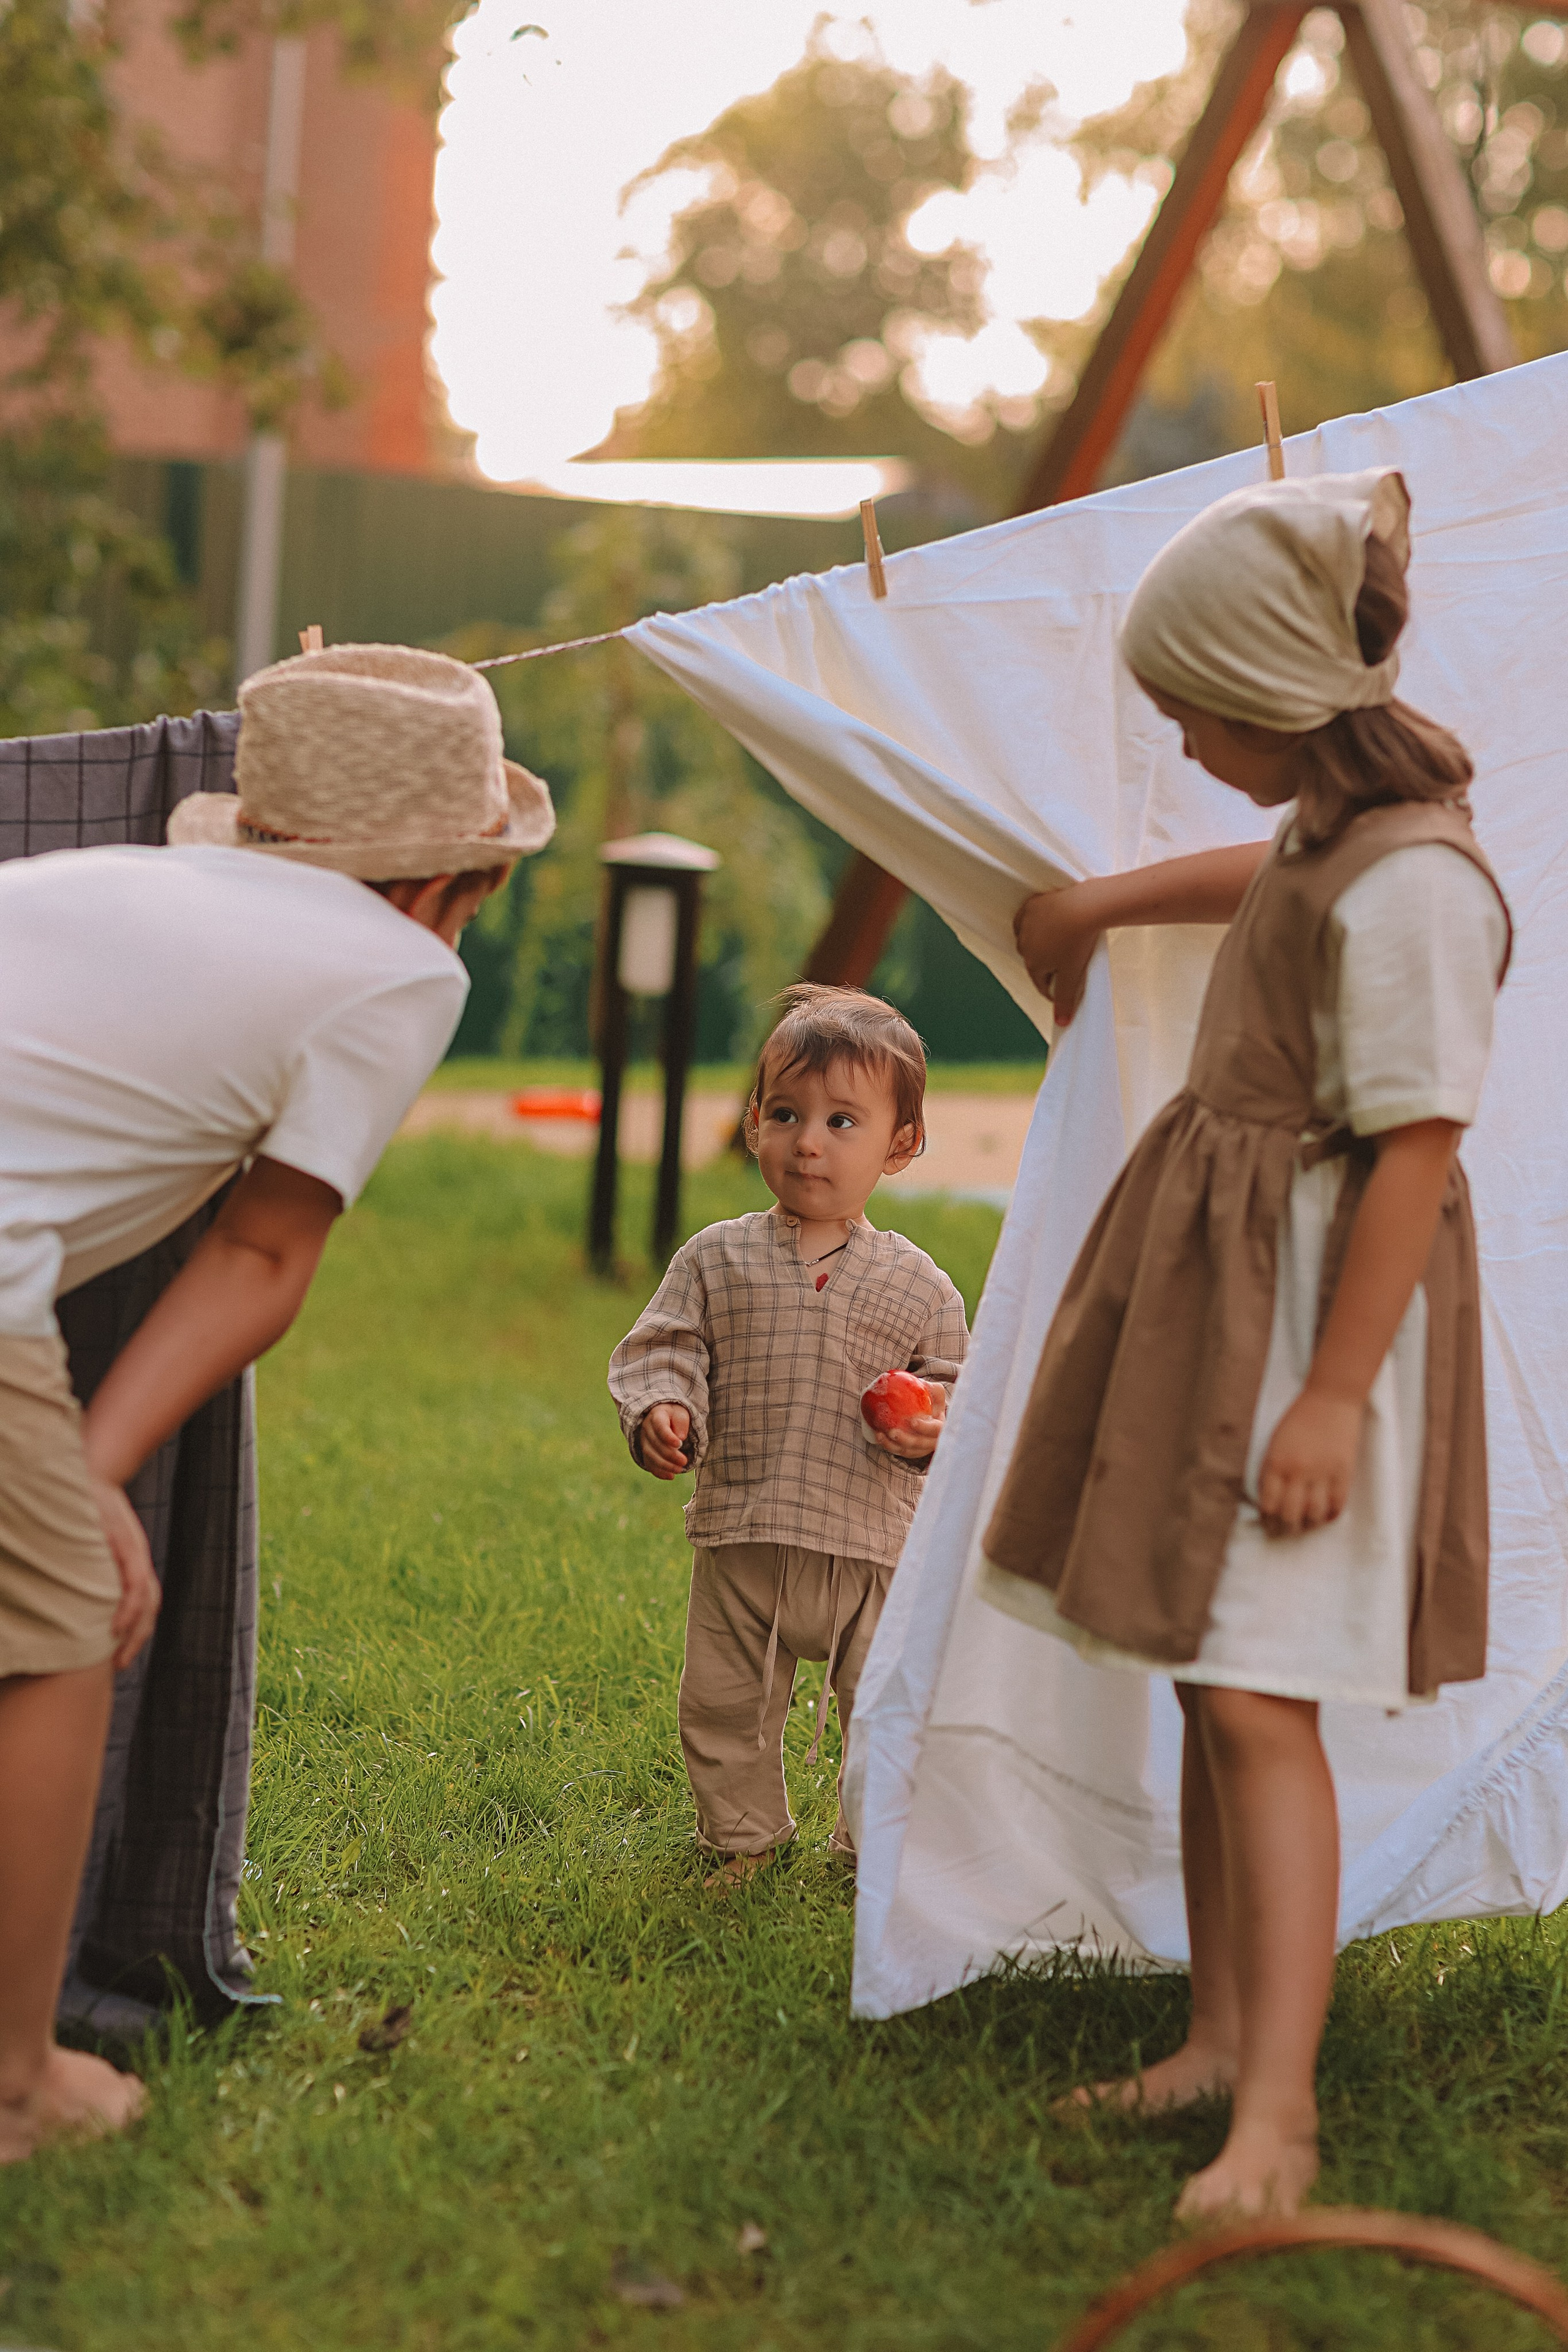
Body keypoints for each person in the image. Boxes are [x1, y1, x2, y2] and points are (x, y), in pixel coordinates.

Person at [982, 471, 1509, 2220]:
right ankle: (1217, 2039)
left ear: (1279, 695)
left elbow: (1418, 1150)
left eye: (1194, 709)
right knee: (1215, 1680)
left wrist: (1336, 1401)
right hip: (1232, 1312)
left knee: (1266, 1700)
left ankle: (1276, 2115)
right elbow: (1263, 873)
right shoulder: (1326, 835)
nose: (1183, 737)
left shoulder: (1421, 885)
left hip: (1307, 1344)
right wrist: (1099, 903)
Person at [0, 643, 554, 2163]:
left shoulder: (108, 887)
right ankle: (15, 2083)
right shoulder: (396, 969)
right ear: (447, 881)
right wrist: (97, 1479)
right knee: (52, 1638)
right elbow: (261, 1246)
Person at [609, 986, 968, 1887]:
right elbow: (667, 1346)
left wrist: (931, 1425)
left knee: (883, 1708)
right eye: (786, 1114)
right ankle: (743, 1837)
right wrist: (663, 1408)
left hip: (869, 1544)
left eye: (843, 1120)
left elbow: (961, 1392)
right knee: (725, 1702)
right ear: (753, 1127)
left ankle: (875, 1844)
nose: (809, 1140)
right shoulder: (715, 1259)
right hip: (745, 1533)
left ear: (900, 1146)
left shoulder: (919, 1287)